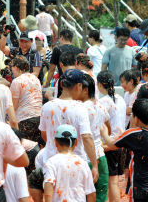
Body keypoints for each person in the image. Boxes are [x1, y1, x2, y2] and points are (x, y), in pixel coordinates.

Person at [32, 69, 98, 201]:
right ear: (79, 86)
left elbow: (44, 134)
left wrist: (53, 145)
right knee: (74, 195)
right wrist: (95, 165)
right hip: (76, 161)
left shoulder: (47, 107)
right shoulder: (80, 108)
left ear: (61, 84)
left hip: (51, 159)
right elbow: (86, 137)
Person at [101, 98, 148, 202]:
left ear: (136, 119)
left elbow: (111, 144)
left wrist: (104, 132)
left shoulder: (135, 134)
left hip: (139, 187)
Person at [43, 124, 96, 202]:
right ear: (76, 142)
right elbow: (91, 193)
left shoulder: (51, 162)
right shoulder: (83, 163)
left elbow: (48, 185)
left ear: (55, 142)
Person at [79, 74, 110, 201]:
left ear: (85, 90)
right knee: (100, 196)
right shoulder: (101, 106)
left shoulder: (80, 108)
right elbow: (108, 127)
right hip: (100, 156)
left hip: (85, 158)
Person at [97, 71, 126, 202]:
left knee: (111, 182)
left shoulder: (103, 101)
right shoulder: (121, 98)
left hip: (109, 144)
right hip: (121, 142)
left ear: (99, 84)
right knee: (113, 181)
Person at [10, 56, 43, 145]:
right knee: (35, 147)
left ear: (16, 67)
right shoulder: (35, 78)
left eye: (12, 67)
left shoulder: (17, 81)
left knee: (25, 148)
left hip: (25, 119)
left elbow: (14, 105)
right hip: (39, 117)